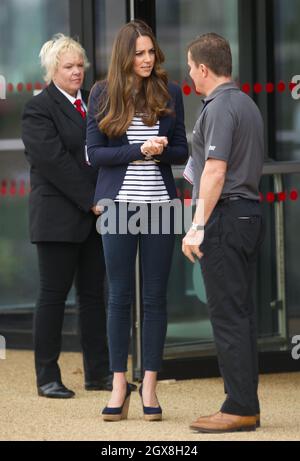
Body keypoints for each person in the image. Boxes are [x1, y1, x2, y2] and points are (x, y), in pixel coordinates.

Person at [87, 20, 188, 421]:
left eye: (150, 52)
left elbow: (181, 151)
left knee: (155, 299)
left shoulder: (171, 91)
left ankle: (149, 384)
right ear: (124, 56)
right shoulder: (101, 93)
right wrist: (137, 150)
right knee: (118, 297)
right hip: (118, 207)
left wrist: (161, 149)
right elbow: (94, 155)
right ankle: (118, 385)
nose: (146, 60)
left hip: (160, 206)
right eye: (139, 53)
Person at [21, 34, 114, 398]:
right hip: (58, 219)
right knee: (53, 297)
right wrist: (93, 198)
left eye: (80, 66)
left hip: (95, 215)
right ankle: (47, 377)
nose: (77, 72)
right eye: (69, 67)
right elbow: (53, 162)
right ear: (52, 70)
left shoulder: (95, 99)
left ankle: (99, 374)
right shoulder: (38, 108)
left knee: (94, 296)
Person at [182, 33, 265, 433]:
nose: (188, 73)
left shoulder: (218, 107)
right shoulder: (246, 103)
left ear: (203, 68)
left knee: (228, 315)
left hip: (226, 218)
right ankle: (245, 401)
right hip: (248, 213)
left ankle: (239, 406)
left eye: (190, 66)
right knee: (242, 313)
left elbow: (214, 170)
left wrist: (196, 227)